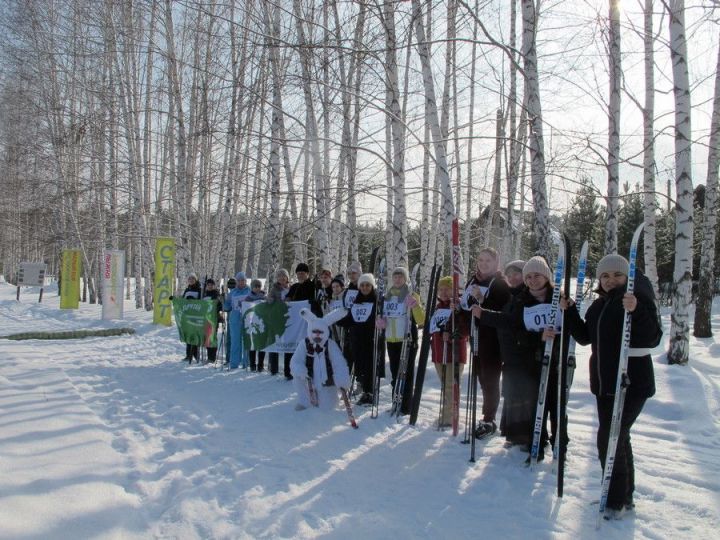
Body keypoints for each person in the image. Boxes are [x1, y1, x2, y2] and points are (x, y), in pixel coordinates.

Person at [561, 254, 661, 518]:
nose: (610, 280)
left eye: (617, 275)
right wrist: (569, 311)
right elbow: (584, 337)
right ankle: (624, 497)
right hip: (605, 385)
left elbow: (653, 338)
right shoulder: (599, 305)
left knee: (610, 439)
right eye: (605, 276)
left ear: (627, 277)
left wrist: (636, 309)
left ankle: (616, 500)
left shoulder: (636, 299)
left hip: (631, 384)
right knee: (618, 438)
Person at [472, 256, 560, 456]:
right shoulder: (512, 295)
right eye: (509, 274)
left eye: (517, 274)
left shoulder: (527, 296)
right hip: (510, 354)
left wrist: (484, 313)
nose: (512, 277)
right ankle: (515, 434)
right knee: (513, 395)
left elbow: (513, 323)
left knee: (527, 398)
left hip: (527, 355)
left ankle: (532, 437)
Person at [461, 248, 511, 438]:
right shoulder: (473, 280)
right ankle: (485, 416)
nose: (483, 263)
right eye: (481, 259)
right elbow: (467, 307)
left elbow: (502, 311)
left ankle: (489, 419)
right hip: (476, 336)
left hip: (493, 339)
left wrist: (484, 301)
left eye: (488, 261)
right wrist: (458, 307)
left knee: (490, 380)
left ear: (496, 263)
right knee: (481, 378)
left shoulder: (499, 283)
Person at [376, 267, 425, 415]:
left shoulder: (411, 295)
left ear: (405, 279)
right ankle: (395, 401)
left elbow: (421, 319)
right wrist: (381, 322)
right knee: (395, 372)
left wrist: (415, 306)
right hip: (391, 339)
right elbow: (386, 315)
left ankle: (406, 406)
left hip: (407, 339)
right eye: (395, 277)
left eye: (400, 277)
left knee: (406, 373)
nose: (397, 280)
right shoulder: (388, 296)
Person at [290, 307, 351, 411]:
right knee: (297, 377)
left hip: (326, 383)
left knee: (327, 407)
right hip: (308, 381)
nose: (317, 334)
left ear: (326, 332)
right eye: (314, 331)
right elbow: (295, 361)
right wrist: (300, 370)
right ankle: (304, 401)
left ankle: (328, 399)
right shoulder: (304, 344)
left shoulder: (330, 345)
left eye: (321, 332)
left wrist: (341, 378)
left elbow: (339, 363)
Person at [430, 276, 469, 427]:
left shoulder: (458, 306)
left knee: (450, 386)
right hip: (439, 352)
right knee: (445, 385)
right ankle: (449, 413)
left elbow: (464, 329)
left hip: (454, 353)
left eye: (447, 288)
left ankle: (449, 417)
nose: (444, 292)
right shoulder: (438, 307)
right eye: (441, 289)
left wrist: (452, 336)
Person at [338, 273, 380, 405]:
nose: (365, 288)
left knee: (369, 368)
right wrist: (336, 320)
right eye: (362, 285)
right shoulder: (357, 301)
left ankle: (370, 393)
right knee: (360, 367)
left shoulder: (377, 301)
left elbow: (380, 318)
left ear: (372, 286)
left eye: (368, 285)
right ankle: (364, 392)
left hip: (371, 340)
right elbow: (350, 319)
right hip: (357, 340)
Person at [224, 271, 251, 369]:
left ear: (245, 281)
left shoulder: (249, 291)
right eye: (239, 280)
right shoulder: (233, 292)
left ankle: (246, 363)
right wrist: (225, 306)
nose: (241, 282)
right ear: (237, 281)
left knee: (246, 341)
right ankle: (234, 363)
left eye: (243, 280)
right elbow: (227, 304)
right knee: (235, 341)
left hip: (247, 319)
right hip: (235, 320)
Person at [267, 268, 290, 376]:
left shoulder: (290, 288)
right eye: (279, 276)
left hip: (288, 319)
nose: (281, 278)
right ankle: (273, 368)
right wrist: (271, 301)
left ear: (287, 278)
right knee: (275, 342)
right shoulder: (274, 289)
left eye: (283, 276)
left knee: (288, 343)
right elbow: (269, 299)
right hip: (276, 319)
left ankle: (288, 369)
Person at [179, 273, 202, 361]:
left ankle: (196, 355)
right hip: (187, 316)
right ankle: (188, 355)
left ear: (195, 280)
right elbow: (183, 300)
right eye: (190, 279)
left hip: (196, 316)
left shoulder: (199, 289)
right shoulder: (187, 289)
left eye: (193, 279)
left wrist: (193, 300)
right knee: (188, 336)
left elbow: (201, 301)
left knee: (195, 336)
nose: (191, 280)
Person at [246, 279, 267, 372]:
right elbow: (243, 307)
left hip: (262, 323)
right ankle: (252, 365)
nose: (257, 288)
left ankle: (260, 365)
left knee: (262, 345)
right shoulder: (248, 297)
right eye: (255, 286)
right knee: (253, 344)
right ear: (252, 287)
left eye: (259, 286)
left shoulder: (264, 297)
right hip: (252, 324)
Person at [202, 278, 224, 364]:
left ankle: (213, 357)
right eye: (208, 285)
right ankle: (209, 356)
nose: (210, 286)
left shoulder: (216, 294)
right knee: (207, 337)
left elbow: (219, 306)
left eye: (211, 285)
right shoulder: (204, 294)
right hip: (206, 319)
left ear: (214, 286)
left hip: (214, 319)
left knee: (213, 337)